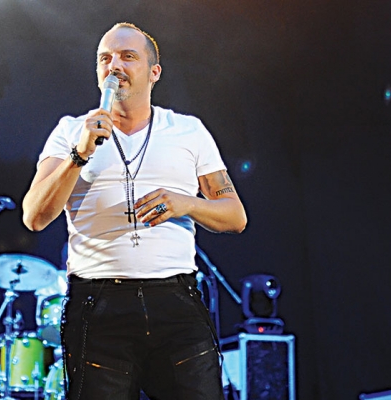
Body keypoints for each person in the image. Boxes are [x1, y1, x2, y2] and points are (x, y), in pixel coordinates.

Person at [22, 22, 247, 400]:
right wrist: (79, 154)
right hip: (98, 305)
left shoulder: (188, 131)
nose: (114, 66)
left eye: (128, 56)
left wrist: (186, 203)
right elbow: (34, 216)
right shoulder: (70, 132)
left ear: (154, 72)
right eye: (105, 59)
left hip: (175, 300)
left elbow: (235, 216)